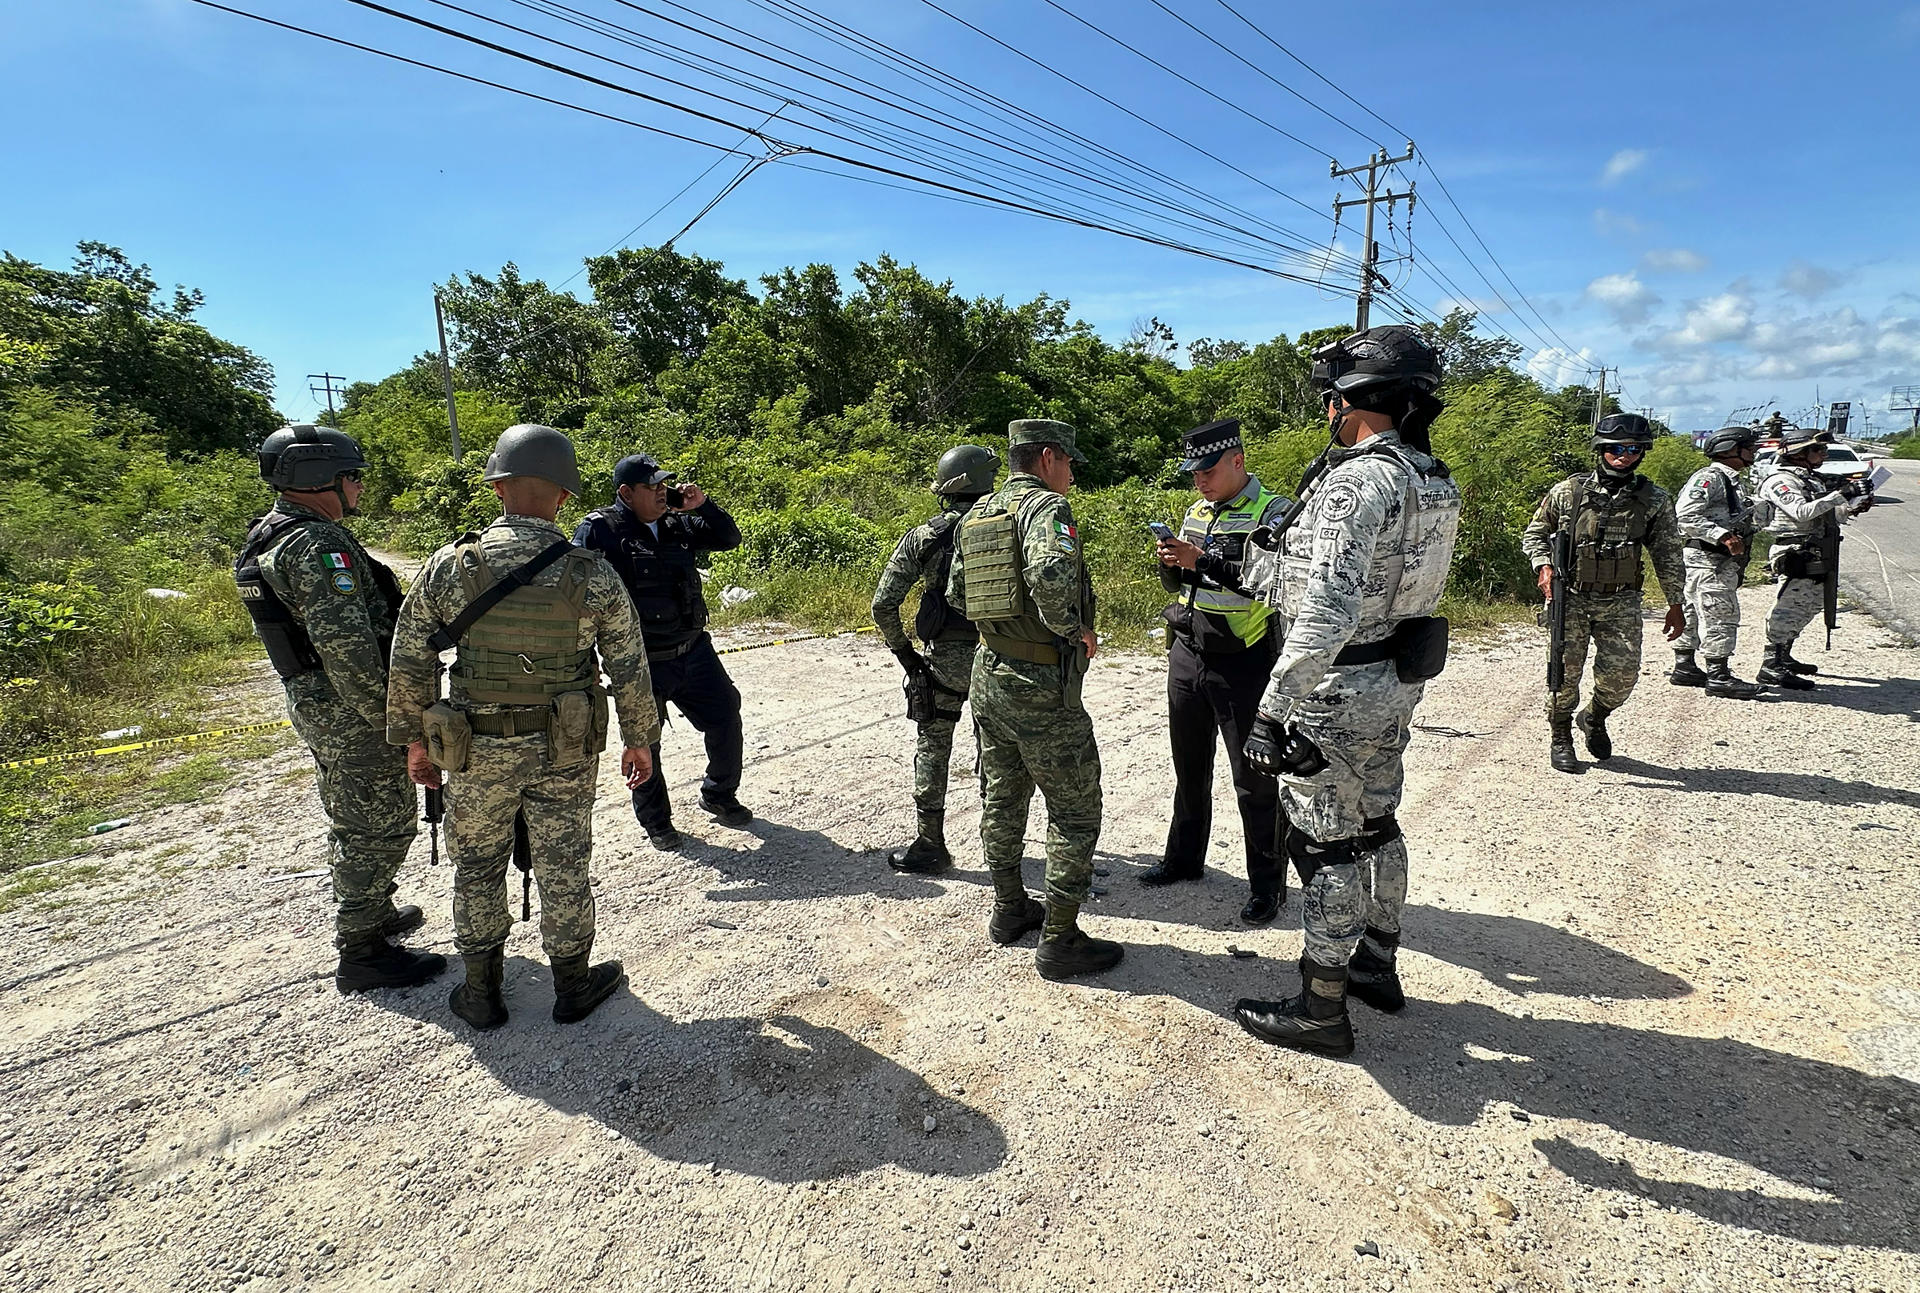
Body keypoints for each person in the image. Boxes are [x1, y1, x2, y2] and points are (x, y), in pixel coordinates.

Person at [1228, 325, 1461, 1059]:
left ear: (1351, 401)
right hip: (1394, 679)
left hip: (1334, 687)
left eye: (1331, 398)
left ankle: (1321, 1007)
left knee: (1324, 840)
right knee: (1378, 822)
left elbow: (1326, 611)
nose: (1326, 410)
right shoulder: (1432, 477)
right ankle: (1376, 963)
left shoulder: (1357, 482)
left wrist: (1272, 710)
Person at [387, 425, 660, 1030]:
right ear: (563, 495)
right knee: (564, 863)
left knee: (477, 865)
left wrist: (414, 743)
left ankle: (481, 992)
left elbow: (410, 660)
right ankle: (572, 986)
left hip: (475, 749)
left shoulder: (448, 567)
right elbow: (629, 664)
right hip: (563, 747)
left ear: (497, 486)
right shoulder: (593, 574)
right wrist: (639, 739)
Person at [234, 424, 445, 993]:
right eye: (351, 475)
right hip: (353, 712)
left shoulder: (270, 534)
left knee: (352, 813)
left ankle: (374, 911)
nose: (358, 486)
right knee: (378, 825)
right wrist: (404, 730)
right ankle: (362, 949)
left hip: (321, 704)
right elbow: (349, 651)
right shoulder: (318, 546)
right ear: (320, 477)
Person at [946, 419, 1118, 981]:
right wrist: (1073, 629)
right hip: (1040, 681)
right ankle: (1061, 940)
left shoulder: (979, 512)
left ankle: (1009, 909)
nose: (1071, 474)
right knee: (1074, 809)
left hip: (989, 672)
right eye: (1068, 462)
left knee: (1002, 794)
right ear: (1047, 458)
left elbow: (955, 593)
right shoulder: (1046, 508)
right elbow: (1049, 573)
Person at [1147, 419, 1291, 923]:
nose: (1200, 481)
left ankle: (1268, 886)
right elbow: (1180, 584)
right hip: (1189, 649)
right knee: (1189, 766)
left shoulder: (1274, 513)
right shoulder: (1196, 511)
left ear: (1237, 461)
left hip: (1244, 660)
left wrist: (1202, 560)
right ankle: (1184, 860)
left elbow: (1271, 584)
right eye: (1194, 473)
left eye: (1208, 471)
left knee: (1254, 780)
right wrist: (1172, 562)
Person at [573, 453, 747, 850]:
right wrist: (586, 658)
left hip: (693, 649)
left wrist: (703, 505)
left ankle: (719, 793)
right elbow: (577, 596)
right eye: (651, 487)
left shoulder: (675, 522)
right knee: (644, 741)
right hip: (638, 658)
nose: (661, 492)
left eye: (664, 485)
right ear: (626, 493)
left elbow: (728, 538)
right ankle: (656, 821)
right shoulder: (600, 530)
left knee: (725, 714)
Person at [1519, 415, 1687, 774]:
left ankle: (1594, 717)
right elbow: (1535, 533)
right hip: (1572, 597)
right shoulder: (1568, 492)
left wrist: (1675, 602)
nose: (1624, 456)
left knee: (1621, 679)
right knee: (1563, 675)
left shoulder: (1653, 499)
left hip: (1621, 601)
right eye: (1616, 448)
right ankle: (1560, 734)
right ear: (1601, 449)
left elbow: (1668, 553)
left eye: (1633, 449)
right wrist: (1543, 566)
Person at [871, 444, 1001, 873]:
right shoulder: (1009, 528)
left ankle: (930, 844)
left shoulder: (925, 537)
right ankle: (1000, 849)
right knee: (998, 753)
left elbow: (883, 605)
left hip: (943, 660)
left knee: (933, 746)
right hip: (999, 657)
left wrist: (908, 658)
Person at [1754, 425, 1874, 689]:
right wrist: (1842, 494)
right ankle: (1770, 665)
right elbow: (1801, 511)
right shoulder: (1781, 481)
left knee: (1809, 605)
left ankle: (1784, 655)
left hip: (1818, 548)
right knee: (1787, 608)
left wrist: (1852, 507)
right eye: (1818, 449)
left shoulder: (1811, 480)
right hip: (1795, 551)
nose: (1824, 454)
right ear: (1799, 452)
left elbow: (1828, 513)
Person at [1671, 426, 1765, 699]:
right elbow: (1685, 516)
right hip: (1709, 559)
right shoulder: (1710, 477)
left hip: (1711, 560)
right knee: (1720, 614)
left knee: (1692, 611)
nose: (1754, 452)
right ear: (1731, 449)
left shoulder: (1732, 481)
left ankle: (1685, 666)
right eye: (1749, 447)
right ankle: (1719, 676)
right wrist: (1722, 535)